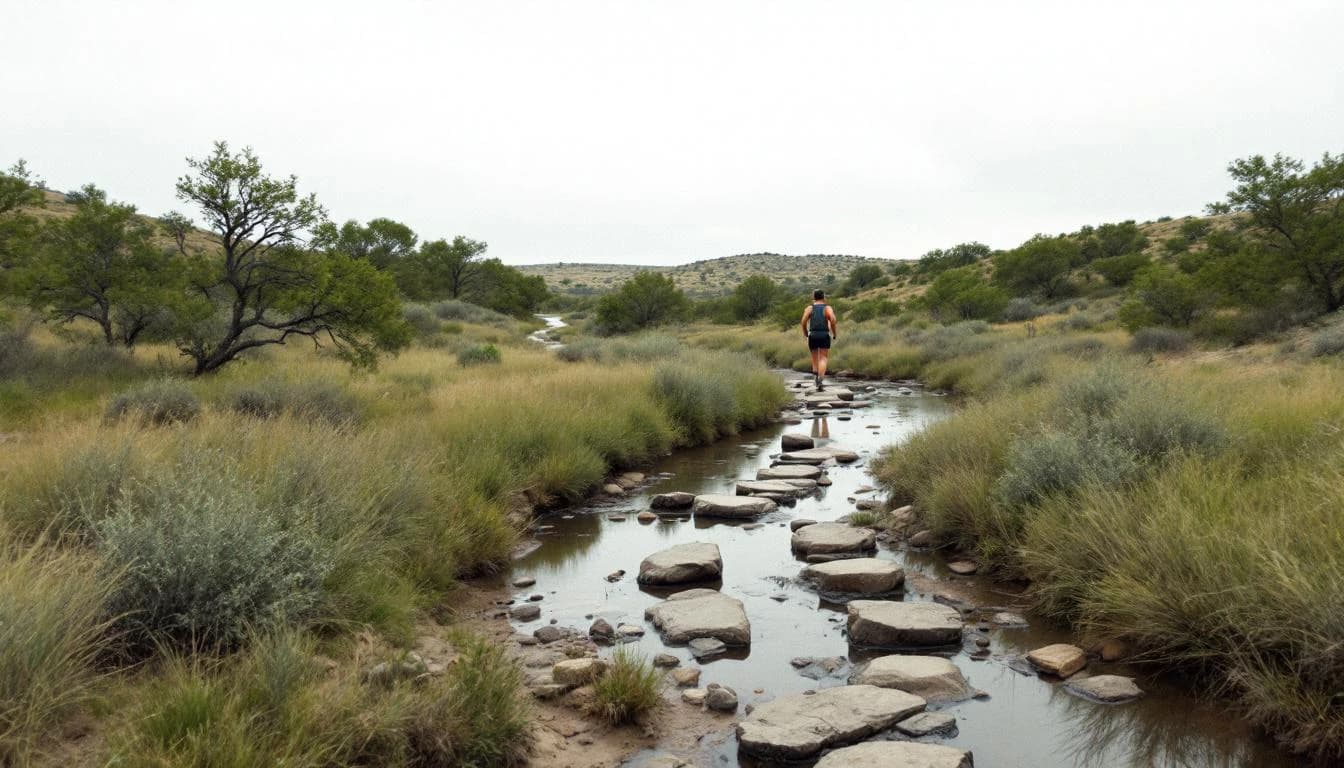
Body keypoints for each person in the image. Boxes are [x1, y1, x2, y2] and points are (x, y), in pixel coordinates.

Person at [800, 289, 837, 390]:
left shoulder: (809, 308)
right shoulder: (827, 308)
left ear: (814, 297)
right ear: (824, 297)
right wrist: (834, 333)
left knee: (814, 358)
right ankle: (820, 379)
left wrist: (805, 333)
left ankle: (816, 379)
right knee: (823, 358)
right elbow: (833, 320)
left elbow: (803, 322)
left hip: (813, 335)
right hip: (824, 334)